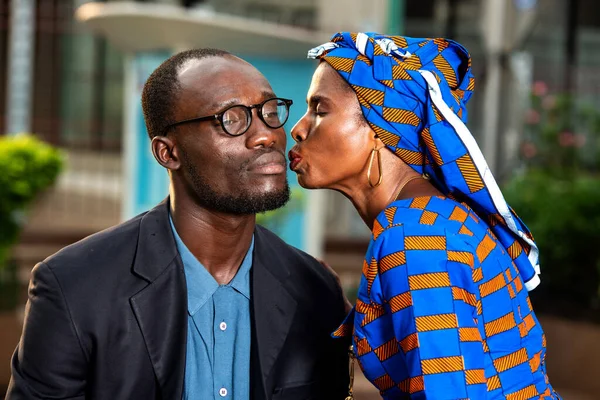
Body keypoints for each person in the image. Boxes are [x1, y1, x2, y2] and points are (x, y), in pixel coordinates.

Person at [7, 48, 349, 400]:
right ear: (168, 153)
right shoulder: (74, 288)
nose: (267, 136)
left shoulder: (317, 290)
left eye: (270, 112)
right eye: (231, 119)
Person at [289, 32, 559, 399]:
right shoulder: (429, 219)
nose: (298, 128)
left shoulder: (417, 238)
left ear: (380, 130)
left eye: (320, 110)